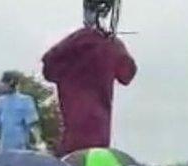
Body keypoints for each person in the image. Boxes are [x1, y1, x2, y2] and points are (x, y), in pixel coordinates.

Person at [41, 14, 137, 155]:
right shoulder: (111, 45)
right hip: (99, 130)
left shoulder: (70, 44)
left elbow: (48, 70)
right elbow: (127, 75)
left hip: (71, 130)